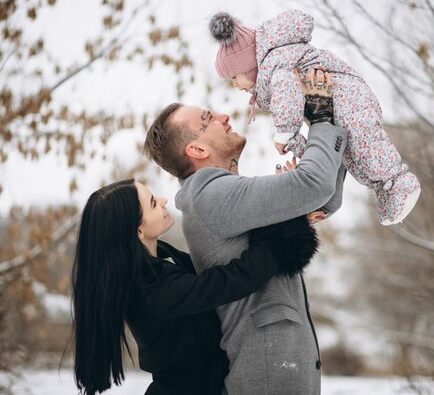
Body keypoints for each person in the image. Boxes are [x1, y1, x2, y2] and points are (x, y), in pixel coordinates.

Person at [144, 69, 347, 395]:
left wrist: (332, 125)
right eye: (207, 118)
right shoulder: (208, 194)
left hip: (276, 372)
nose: (223, 116)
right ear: (196, 150)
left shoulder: (219, 195)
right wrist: (322, 116)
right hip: (267, 377)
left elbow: (322, 199)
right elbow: (315, 184)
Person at [71, 178, 318, 395]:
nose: (164, 199)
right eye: (153, 203)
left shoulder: (163, 259)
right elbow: (236, 279)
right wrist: (289, 224)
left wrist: (282, 207)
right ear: (137, 231)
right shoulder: (152, 291)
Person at [208, 9, 421, 225]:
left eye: (234, 77)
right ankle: (385, 193)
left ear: (250, 67)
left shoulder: (276, 65)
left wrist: (285, 131)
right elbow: (314, 130)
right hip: (336, 106)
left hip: (346, 99)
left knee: (366, 149)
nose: (235, 85)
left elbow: (287, 92)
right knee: (351, 156)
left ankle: (398, 184)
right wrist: (299, 146)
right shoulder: (273, 69)